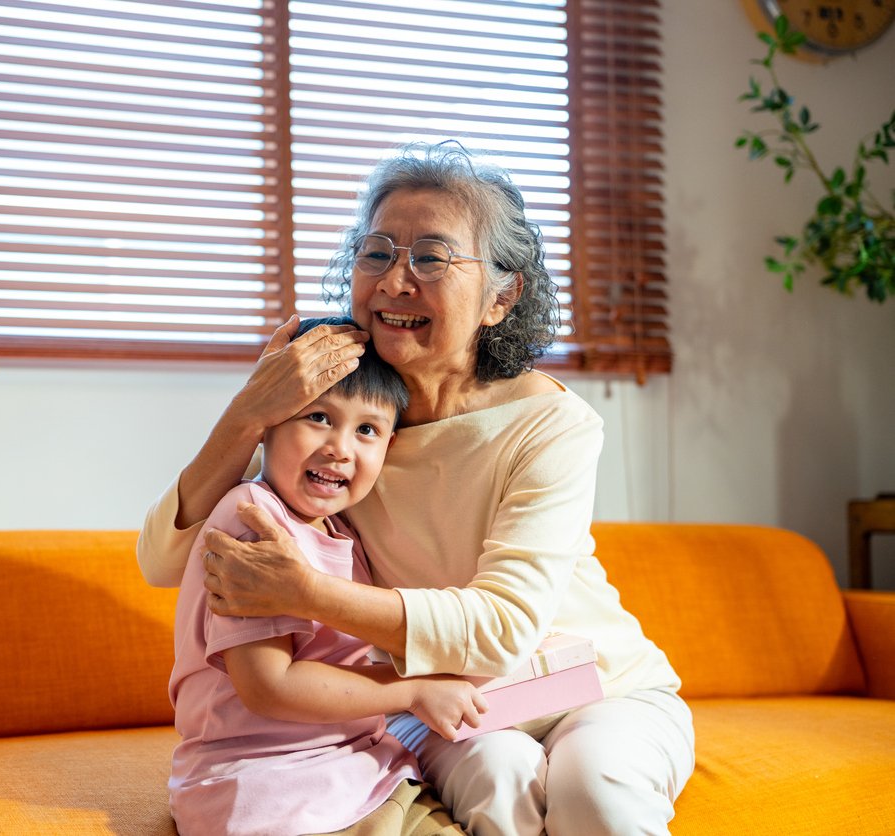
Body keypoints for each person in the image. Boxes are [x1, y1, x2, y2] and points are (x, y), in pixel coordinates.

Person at [140, 140, 695, 836]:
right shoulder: (348, 427)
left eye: (431, 257)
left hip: (603, 688)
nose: (395, 281)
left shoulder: (552, 423)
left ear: (501, 296)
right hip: (450, 703)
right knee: (500, 783)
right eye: (376, 253)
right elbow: (166, 562)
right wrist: (251, 411)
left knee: (598, 796)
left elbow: (501, 629)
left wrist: (307, 594)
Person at [169, 316, 481, 836]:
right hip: (268, 786)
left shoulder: (341, 529)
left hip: (355, 767)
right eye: (318, 416)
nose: (340, 447)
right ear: (267, 423)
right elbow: (270, 687)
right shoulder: (254, 520)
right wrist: (413, 689)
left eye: (366, 430)